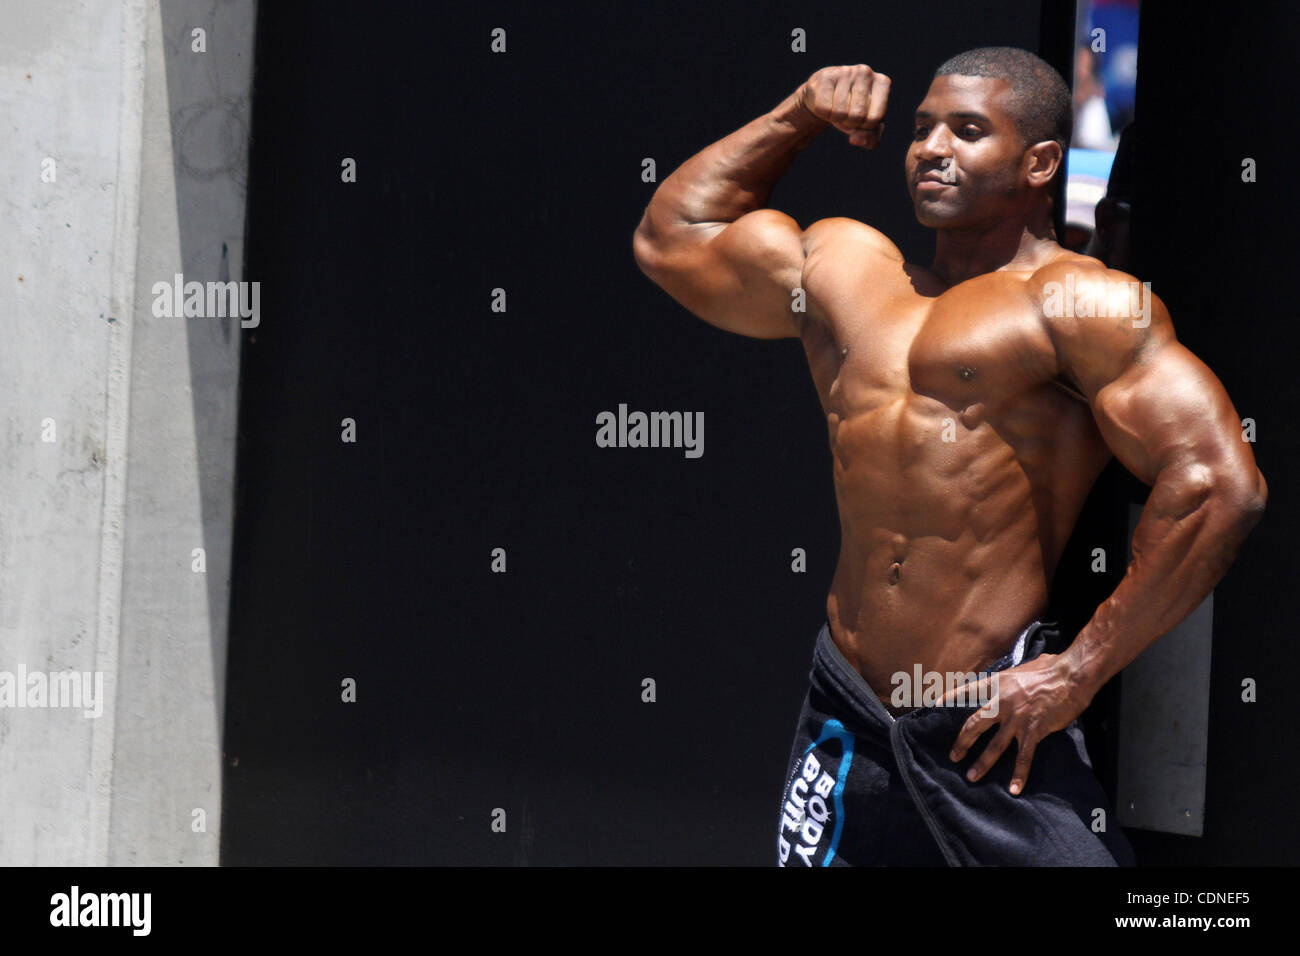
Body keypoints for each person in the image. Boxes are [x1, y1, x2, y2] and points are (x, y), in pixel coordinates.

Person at [632, 47, 1266, 866]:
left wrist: (1075, 675)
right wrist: (798, 114)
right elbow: (672, 238)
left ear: (1039, 163)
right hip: (846, 708)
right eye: (924, 127)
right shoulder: (848, 269)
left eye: (968, 131)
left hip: (985, 725)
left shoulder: (1082, 307)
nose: (933, 147)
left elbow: (1219, 485)